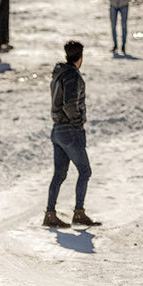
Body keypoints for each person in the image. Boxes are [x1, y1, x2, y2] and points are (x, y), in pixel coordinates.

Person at [44, 41, 100, 228]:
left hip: (57, 129)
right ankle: (79, 212)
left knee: (59, 174)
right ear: (80, 57)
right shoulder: (73, 76)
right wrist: (78, 124)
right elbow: (70, 104)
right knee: (85, 171)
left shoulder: (58, 75)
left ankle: (50, 214)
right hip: (69, 129)